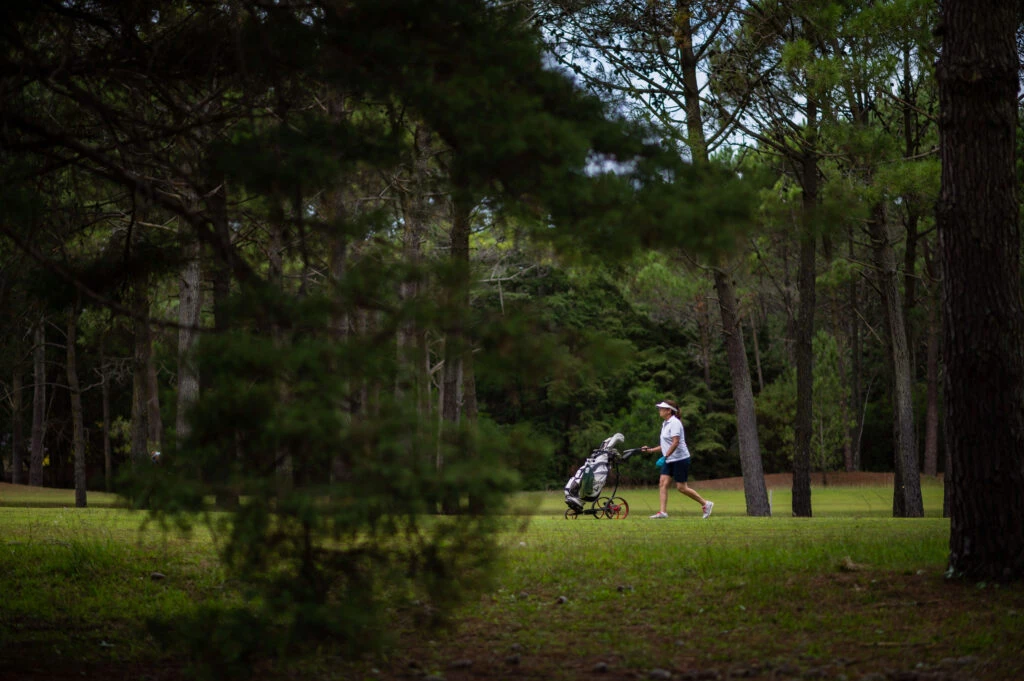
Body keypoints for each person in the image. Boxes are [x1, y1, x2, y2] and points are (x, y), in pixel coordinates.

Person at [641, 400, 713, 519]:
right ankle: (663, 512)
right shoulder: (665, 423)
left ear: (669, 411)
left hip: (680, 459)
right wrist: (651, 450)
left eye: (662, 408)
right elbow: (665, 444)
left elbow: (675, 442)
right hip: (669, 459)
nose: (659, 410)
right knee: (662, 483)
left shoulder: (675, 423)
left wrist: (665, 456)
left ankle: (706, 504)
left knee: (681, 488)